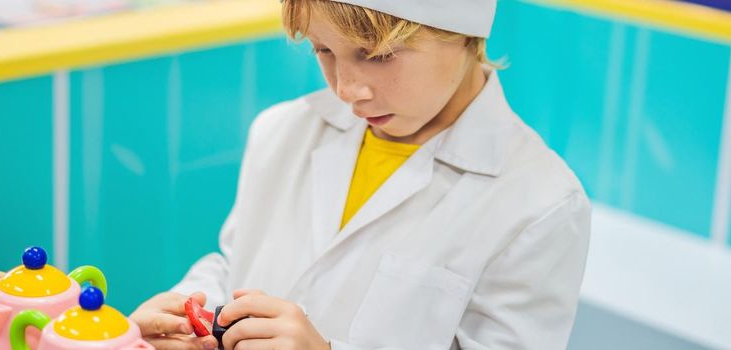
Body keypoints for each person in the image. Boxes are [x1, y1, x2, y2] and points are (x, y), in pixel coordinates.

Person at [130, 0, 592, 349]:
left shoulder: (540, 204)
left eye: (378, 55)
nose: (348, 89)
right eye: (323, 50)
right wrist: (186, 312)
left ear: (463, 32)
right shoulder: (283, 130)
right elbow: (235, 264)